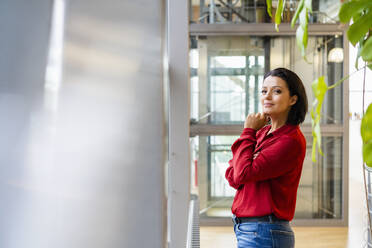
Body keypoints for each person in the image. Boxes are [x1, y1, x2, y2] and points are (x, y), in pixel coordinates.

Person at [225, 67, 308, 248]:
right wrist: (249, 147)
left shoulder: (289, 141)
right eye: (264, 91)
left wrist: (248, 132)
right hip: (249, 229)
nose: (267, 96)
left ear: (293, 99)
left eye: (276, 91)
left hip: (264, 231)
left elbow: (242, 173)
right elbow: (232, 176)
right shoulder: (262, 132)